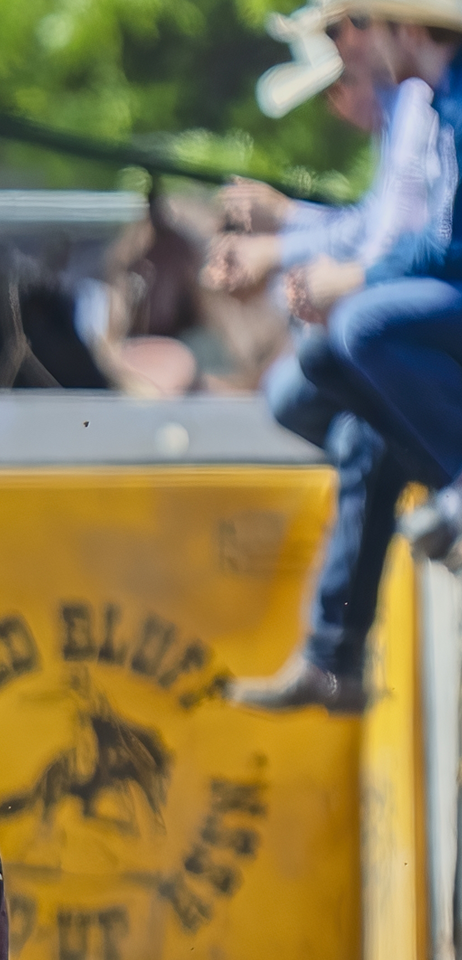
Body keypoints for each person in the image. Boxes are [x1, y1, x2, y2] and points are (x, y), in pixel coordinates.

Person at [220, 2, 447, 712]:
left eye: (337, 45)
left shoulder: (426, 101)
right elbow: (381, 230)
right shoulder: (424, 101)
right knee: (344, 418)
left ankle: (445, 479)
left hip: (422, 308)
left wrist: (293, 245)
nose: (338, 92)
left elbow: (399, 245)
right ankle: (332, 653)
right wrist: (296, 242)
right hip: (416, 301)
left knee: (338, 352)